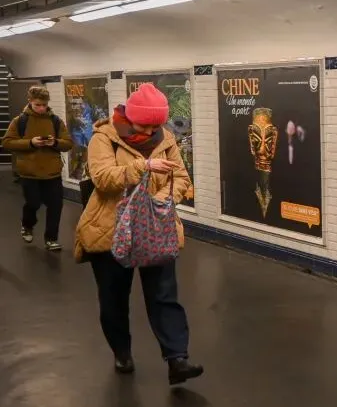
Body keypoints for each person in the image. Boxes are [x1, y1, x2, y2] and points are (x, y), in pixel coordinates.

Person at [73, 83, 204, 385]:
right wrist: (143, 166)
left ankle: (177, 359)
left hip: (155, 227)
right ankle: (122, 352)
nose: (151, 130)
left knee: (164, 296)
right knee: (113, 298)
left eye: (156, 125)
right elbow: (103, 178)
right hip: (110, 229)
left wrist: (166, 199)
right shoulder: (104, 137)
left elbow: (181, 176)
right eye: (145, 124)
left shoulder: (165, 138)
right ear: (130, 116)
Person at [1, 85, 73, 251]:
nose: (41, 108)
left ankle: (51, 239)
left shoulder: (55, 121)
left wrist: (54, 142)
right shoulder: (20, 121)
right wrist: (30, 143)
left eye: (44, 105)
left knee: (55, 206)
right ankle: (27, 225)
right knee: (33, 203)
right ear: (30, 102)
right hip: (29, 173)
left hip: (52, 172)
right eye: (37, 105)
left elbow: (68, 143)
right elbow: (7, 142)